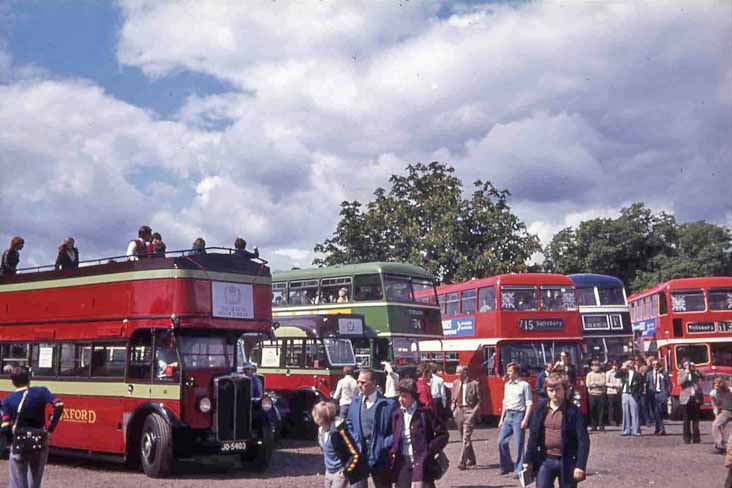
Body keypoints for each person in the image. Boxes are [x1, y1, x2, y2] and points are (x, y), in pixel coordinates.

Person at [0, 366, 65, 488]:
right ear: (29, 379)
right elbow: (59, 405)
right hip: (40, 439)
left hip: (19, 442)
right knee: (35, 481)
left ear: (12, 382)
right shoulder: (41, 391)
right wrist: (50, 430)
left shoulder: (8, 401)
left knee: (18, 481)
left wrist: (10, 434)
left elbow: (5, 427)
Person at [524, 373, 590, 488]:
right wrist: (528, 460)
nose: (554, 394)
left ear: (564, 390)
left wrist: (580, 465)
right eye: (551, 390)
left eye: (558, 390)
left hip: (568, 460)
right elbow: (533, 437)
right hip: (545, 460)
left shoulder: (574, 412)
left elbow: (583, 441)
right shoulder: (540, 410)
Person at [388, 378, 449, 488]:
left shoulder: (425, 413)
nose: (400, 399)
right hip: (402, 462)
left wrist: (429, 450)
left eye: (404, 396)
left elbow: (443, 434)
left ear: (413, 396)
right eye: (399, 396)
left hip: (422, 462)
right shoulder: (396, 414)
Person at [346, 369, 397, 488]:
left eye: (363, 382)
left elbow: (396, 430)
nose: (359, 385)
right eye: (358, 382)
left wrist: (383, 445)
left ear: (374, 382)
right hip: (358, 454)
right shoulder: (355, 402)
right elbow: (349, 423)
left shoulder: (388, 405)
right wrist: (354, 441)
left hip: (379, 456)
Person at [312, 401, 365, 488]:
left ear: (322, 418)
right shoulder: (321, 431)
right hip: (329, 471)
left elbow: (354, 453)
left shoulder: (339, 432)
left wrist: (345, 471)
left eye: (315, 415)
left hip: (339, 471)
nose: (313, 418)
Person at [498, 362, 533, 478]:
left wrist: (525, 419)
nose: (508, 373)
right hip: (508, 415)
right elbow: (504, 402)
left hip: (519, 415)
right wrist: (501, 419)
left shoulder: (524, 385)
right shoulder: (507, 385)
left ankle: (518, 469)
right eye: (507, 371)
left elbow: (529, 403)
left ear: (516, 372)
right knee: (501, 441)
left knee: (519, 444)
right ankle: (506, 465)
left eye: (510, 371)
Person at [451, 365, 481, 470]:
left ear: (465, 373)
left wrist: (473, 413)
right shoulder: (455, 383)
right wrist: (453, 409)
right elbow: (453, 398)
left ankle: (462, 462)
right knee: (463, 437)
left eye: (459, 372)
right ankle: (472, 459)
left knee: (466, 437)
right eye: (456, 372)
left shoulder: (474, 384)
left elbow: (479, 400)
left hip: (469, 411)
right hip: (458, 411)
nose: (457, 374)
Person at [679, 360, 704, 444]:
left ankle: (696, 438)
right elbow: (680, 382)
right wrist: (686, 373)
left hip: (695, 397)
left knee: (696, 419)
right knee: (686, 420)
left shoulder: (695, 372)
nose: (688, 367)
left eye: (689, 365)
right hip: (686, 398)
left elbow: (704, 377)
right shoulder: (681, 372)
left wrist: (696, 369)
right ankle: (687, 438)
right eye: (686, 365)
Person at [616, 360, 643, 436]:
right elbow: (616, 375)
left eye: (630, 364)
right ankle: (626, 430)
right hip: (625, 393)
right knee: (625, 412)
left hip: (633, 394)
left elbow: (640, 385)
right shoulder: (624, 373)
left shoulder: (637, 374)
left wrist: (638, 394)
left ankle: (636, 430)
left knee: (634, 412)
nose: (629, 365)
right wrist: (622, 368)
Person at [647, 359, 671, 435]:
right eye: (653, 364)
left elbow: (669, 384)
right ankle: (658, 428)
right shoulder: (649, 374)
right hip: (652, 395)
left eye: (657, 364)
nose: (655, 366)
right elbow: (647, 384)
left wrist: (667, 393)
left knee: (659, 412)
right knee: (655, 412)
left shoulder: (664, 373)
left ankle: (661, 429)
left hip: (661, 394)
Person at [711, 378, 732, 452]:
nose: (716, 388)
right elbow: (714, 405)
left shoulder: (730, 391)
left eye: (718, 387)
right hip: (725, 411)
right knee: (715, 425)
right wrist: (716, 414)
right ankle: (720, 446)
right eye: (715, 386)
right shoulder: (713, 393)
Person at [585, 360, 606, 432]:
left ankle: (601, 425)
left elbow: (603, 383)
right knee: (592, 410)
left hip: (601, 394)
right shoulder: (589, 375)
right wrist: (596, 384)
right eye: (594, 366)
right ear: (591, 367)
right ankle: (593, 425)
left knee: (601, 411)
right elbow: (588, 384)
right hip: (592, 394)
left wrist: (594, 383)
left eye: (597, 366)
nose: (596, 367)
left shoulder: (602, 374)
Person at [605, 362, 622, 426]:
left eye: (616, 366)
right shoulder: (608, 373)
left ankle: (618, 420)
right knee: (611, 407)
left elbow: (622, 381)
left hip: (618, 391)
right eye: (614, 366)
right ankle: (611, 420)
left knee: (618, 407)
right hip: (610, 392)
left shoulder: (620, 373)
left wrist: (620, 385)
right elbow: (606, 383)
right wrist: (613, 385)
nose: (615, 367)